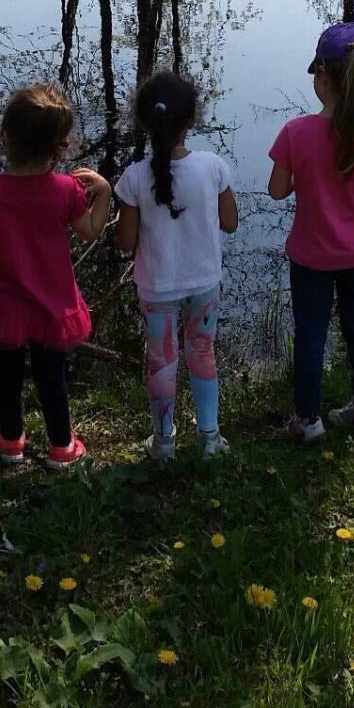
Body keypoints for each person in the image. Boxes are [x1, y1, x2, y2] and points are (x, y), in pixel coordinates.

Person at [0, 82, 110, 467]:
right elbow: (89, 231)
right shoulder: (67, 190)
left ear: (7, 137)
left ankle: (11, 443)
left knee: (6, 377)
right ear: (60, 146)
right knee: (52, 377)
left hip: (4, 307)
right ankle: (61, 447)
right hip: (52, 305)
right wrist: (102, 193)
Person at [268, 22, 354, 440]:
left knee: (311, 333)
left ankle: (308, 420)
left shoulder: (296, 133)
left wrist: (304, 175)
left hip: (311, 256)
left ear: (322, 79)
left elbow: (276, 191)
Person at [114, 70, 238, 461]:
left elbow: (125, 242)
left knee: (161, 361)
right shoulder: (213, 167)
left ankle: (163, 442)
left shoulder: (133, 178)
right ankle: (210, 439)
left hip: (157, 288)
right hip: (204, 283)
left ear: (144, 121)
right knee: (203, 352)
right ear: (191, 119)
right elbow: (231, 223)